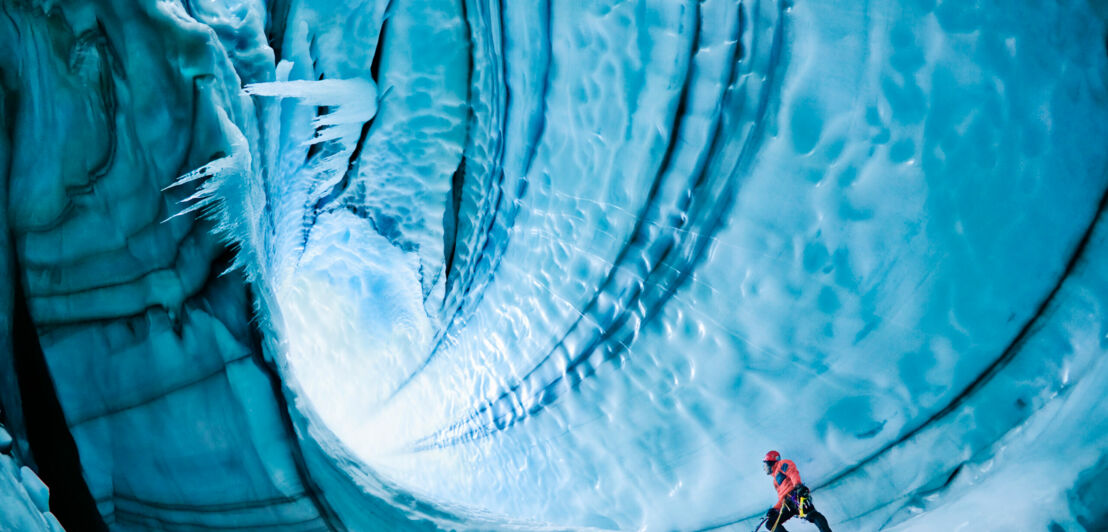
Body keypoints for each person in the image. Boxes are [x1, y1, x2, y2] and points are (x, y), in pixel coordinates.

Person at [761, 450, 833, 532]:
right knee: (770, 523)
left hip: (796, 495)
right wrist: (775, 509)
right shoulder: (775, 482)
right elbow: (782, 497)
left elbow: (793, 473)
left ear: (770, 462)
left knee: (811, 514)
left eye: (764, 464)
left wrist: (798, 487)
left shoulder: (782, 464)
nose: (764, 468)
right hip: (787, 504)